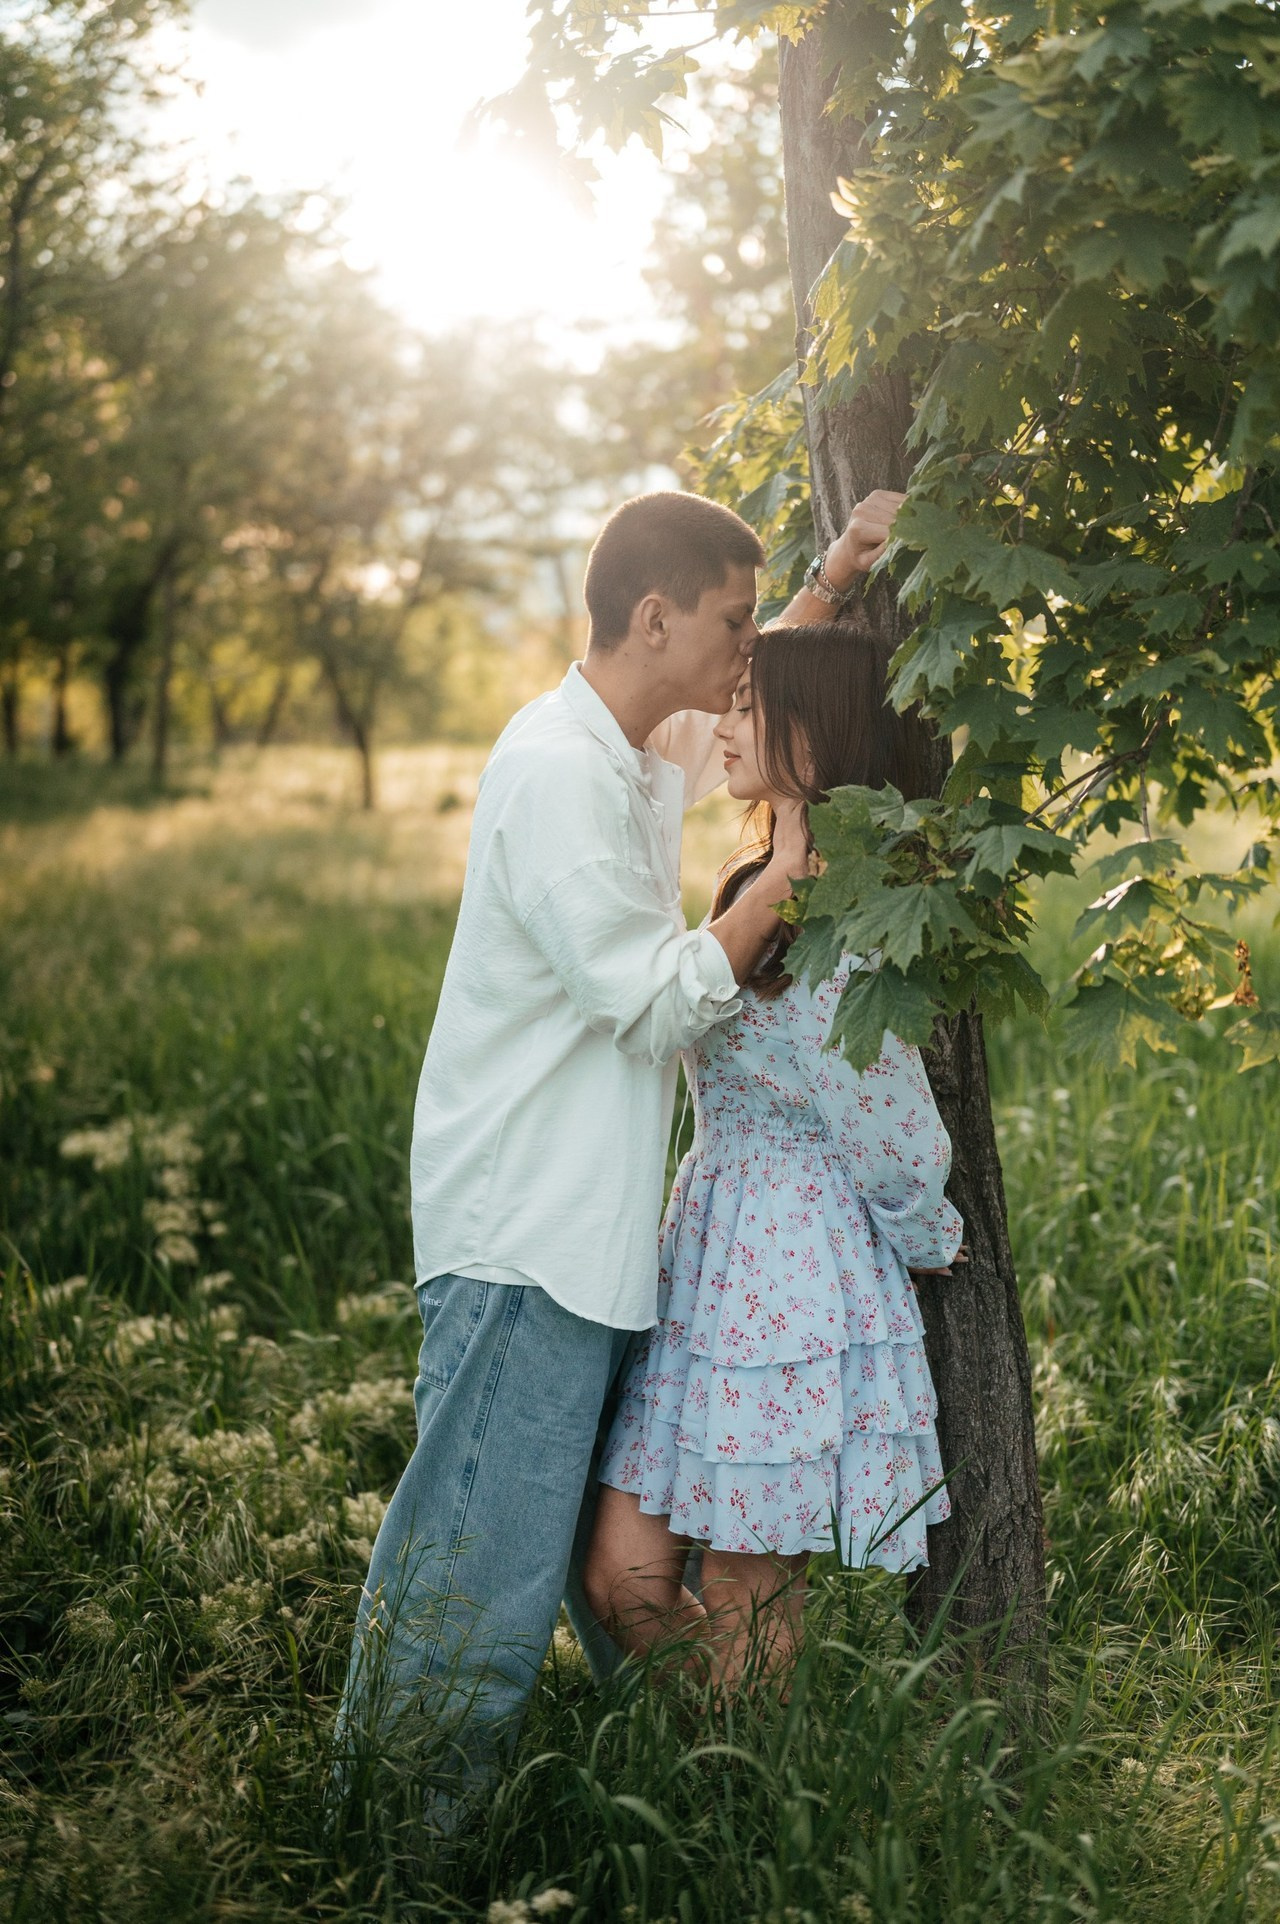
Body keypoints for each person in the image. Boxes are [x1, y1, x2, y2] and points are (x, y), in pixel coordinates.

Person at [334, 487, 908, 1797]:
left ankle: (715, 1827)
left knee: (623, 1580)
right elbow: (648, 1001)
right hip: (524, 1246)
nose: (748, 650)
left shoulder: (626, 747)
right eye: (732, 620)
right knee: (467, 1611)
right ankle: (387, 1862)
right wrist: (776, 888)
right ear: (655, 619)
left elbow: (736, 720)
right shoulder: (554, 773)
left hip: (586, 1254)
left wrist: (831, 577)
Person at [582, 622, 965, 1690]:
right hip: (708, 1251)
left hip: (790, 1277)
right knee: (621, 1575)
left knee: (751, 1593)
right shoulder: (757, 875)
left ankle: (754, 1822)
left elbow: (886, 1119)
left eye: (752, 708)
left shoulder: (855, 918)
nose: (728, 724)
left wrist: (929, 1236)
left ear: (816, 732)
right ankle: (733, 1763)